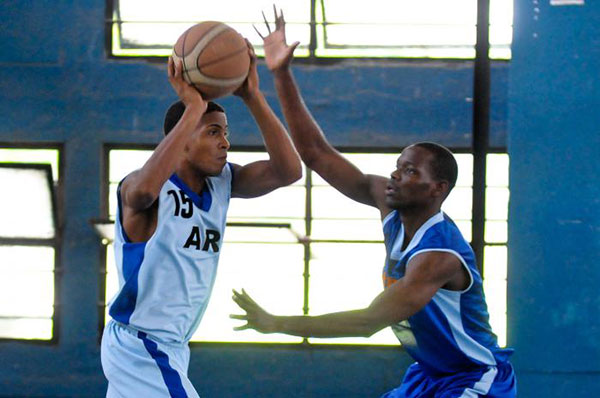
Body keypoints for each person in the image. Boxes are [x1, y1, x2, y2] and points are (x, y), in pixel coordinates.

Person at [230, 9, 516, 398]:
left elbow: (369, 320)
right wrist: (279, 74)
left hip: (473, 379)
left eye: (411, 172)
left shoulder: (439, 255)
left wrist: (277, 322)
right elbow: (315, 153)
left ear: (438, 189)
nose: (397, 175)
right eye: (398, 166)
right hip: (429, 375)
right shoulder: (389, 205)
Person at [100, 41, 302, 398]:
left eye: (225, 132)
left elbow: (289, 171)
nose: (225, 142)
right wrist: (193, 106)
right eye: (213, 132)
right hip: (141, 344)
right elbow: (143, 192)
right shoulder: (143, 185)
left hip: (174, 346)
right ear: (184, 139)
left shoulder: (223, 183)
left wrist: (253, 96)